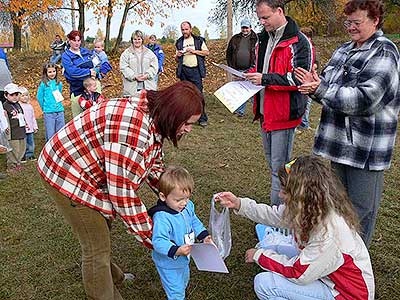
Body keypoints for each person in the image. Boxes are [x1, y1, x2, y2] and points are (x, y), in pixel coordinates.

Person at [37, 81, 203, 300]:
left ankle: (113, 277)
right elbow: (121, 193)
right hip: (66, 173)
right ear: (174, 114)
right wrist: (155, 238)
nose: (189, 129)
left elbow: (154, 166)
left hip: (92, 174)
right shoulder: (132, 129)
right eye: (188, 123)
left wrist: (173, 193)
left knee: (102, 232)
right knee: (95, 247)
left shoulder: (155, 117)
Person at [295, 0, 400, 247]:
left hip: (365, 150)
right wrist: (314, 85)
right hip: (336, 145)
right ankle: (335, 261)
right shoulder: (343, 50)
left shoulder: (384, 52)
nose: (350, 28)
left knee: (361, 212)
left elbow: (366, 99)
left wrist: (320, 88)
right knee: (336, 209)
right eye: (347, 22)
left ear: (375, 21)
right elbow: (327, 86)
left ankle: (356, 271)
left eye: (356, 22)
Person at [216, 155, 375, 300]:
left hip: (346, 294)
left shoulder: (329, 233)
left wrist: (259, 256)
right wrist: (239, 204)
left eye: (286, 190)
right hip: (327, 276)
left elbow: (299, 273)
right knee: (266, 246)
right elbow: (273, 215)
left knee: (265, 284)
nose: (280, 195)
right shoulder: (311, 207)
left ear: (302, 195)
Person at [244, 0, 314, 205]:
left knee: (279, 170)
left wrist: (265, 79)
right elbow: (258, 68)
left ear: (279, 11)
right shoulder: (262, 40)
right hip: (265, 112)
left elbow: (301, 79)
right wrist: (247, 76)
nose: (262, 22)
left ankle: (278, 218)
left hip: (284, 115)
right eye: (259, 18)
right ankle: (280, 213)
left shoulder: (300, 42)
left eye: (265, 17)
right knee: (273, 166)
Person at [148, 166, 213, 300]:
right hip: (169, 263)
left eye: (187, 198)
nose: (184, 203)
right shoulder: (162, 218)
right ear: (163, 196)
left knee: (183, 281)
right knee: (176, 292)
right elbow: (158, 241)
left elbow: (194, 220)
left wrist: (204, 236)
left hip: (184, 258)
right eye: (178, 200)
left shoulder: (187, 206)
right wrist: (176, 250)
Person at [175, 21, 209, 127]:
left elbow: (206, 52)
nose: (184, 31)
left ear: (190, 29)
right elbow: (176, 59)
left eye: (186, 29)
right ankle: (186, 117)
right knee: (185, 96)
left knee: (198, 94)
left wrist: (194, 51)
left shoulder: (198, 40)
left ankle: (202, 118)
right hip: (184, 71)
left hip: (196, 71)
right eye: (183, 29)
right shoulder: (179, 42)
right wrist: (178, 56)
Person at [226, 18, 258, 117]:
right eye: (243, 28)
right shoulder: (235, 38)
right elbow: (229, 53)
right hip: (237, 69)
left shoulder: (256, 38)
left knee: (253, 91)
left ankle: (257, 111)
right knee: (240, 91)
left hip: (252, 69)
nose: (245, 30)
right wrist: (231, 68)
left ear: (250, 28)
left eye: (246, 28)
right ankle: (240, 111)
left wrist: (256, 67)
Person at [62, 30, 96, 118]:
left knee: (94, 116)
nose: (77, 43)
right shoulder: (66, 56)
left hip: (93, 88)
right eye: (74, 40)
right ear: (69, 41)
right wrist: (88, 72)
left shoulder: (86, 52)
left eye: (78, 40)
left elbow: (97, 64)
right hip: (77, 90)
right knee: (79, 119)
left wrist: (98, 72)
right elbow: (72, 72)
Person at [120, 30, 158, 96]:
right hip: (131, 88)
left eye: (139, 39)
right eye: (135, 39)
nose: (137, 41)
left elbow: (154, 66)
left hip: (148, 87)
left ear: (142, 40)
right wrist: (134, 76)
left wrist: (147, 74)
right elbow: (124, 67)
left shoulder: (149, 53)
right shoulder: (126, 53)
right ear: (132, 40)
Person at [37, 62, 65, 142]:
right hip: (49, 112)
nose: (52, 73)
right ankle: (50, 148)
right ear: (45, 73)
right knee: (50, 132)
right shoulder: (43, 84)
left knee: (60, 131)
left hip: (59, 111)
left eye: (54, 71)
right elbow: (39, 97)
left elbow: (59, 94)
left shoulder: (59, 83)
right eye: (49, 72)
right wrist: (45, 108)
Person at [2, 83, 26, 172]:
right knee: (14, 149)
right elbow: (4, 120)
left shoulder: (18, 104)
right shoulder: (5, 106)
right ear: (5, 95)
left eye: (16, 94)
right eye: (12, 95)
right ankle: (11, 165)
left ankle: (18, 163)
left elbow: (21, 115)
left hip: (21, 130)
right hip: (13, 133)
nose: (15, 97)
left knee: (21, 148)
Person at [296, 27, 316, 131]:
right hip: (300, 78)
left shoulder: (312, 47)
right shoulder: (298, 47)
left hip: (310, 78)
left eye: (308, 36)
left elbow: (315, 60)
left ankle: (305, 124)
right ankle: (294, 126)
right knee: (298, 102)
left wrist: (315, 65)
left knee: (307, 102)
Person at [19, 87, 38, 161]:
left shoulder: (30, 106)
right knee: (23, 143)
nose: (25, 97)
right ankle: (22, 155)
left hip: (30, 129)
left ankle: (30, 154)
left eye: (26, 95)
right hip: (22, 129)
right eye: (22, 96)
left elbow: (33, 117)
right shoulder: (18, 106)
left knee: (31, 143)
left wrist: (35, 127)